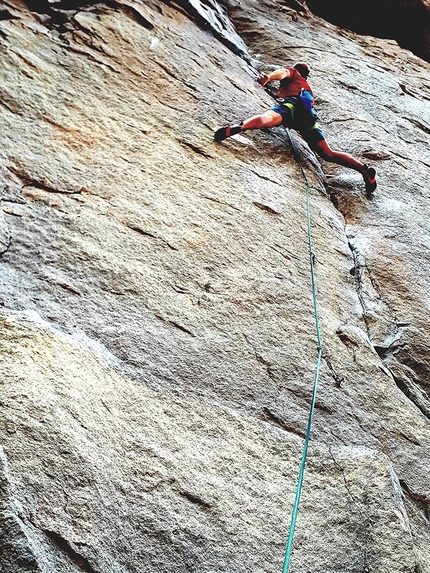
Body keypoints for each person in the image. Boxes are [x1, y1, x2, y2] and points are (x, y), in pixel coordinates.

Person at [214, 62, 377, 194]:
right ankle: (364, 170)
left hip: (292, 106)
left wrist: (268, 77)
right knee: (328, 153)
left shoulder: (294, 73)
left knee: (268, 119)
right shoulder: (306, 86)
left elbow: (283, 72)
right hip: (308, 116)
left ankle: (240, 127)